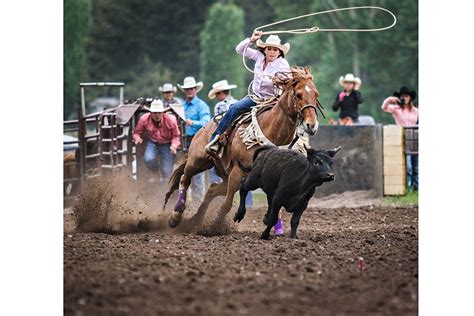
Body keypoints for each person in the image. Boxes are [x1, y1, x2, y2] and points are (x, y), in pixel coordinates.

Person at [205, 31, 291, 157]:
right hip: (256, 98)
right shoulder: (259, 57)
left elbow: (287, 80)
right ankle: (216, 139)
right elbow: (239, 50)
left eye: (275, 49)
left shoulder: (283, 64)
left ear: (279, 52)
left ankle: (293, 145)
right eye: (269, 49)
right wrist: (252, 39)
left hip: (274, 101)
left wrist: (276, 81)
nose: (272, 52)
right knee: (235, 108)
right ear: (264, 50)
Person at [177, 76, 211, 202]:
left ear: (195, 89)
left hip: (198, 141)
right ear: (184, 91)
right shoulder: (181, 106)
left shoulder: (201, 106)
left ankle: (197, 201)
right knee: (181, 169)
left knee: (197, 170)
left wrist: (193, 123)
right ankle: (181, 198)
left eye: (191, 88)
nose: (189, 91)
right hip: (183, 140)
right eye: (187, 89)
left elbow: (207, 122)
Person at [132, 99, 180, 184]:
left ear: (163, 112)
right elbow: (136, 132)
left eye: (159, 113)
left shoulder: (171, 120)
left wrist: (174, 146)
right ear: (150, 113)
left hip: (167, 143)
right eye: (155, 113)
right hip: (153, 142)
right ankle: (156, 171)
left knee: (167, 171)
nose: (157, 115)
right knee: (148, 159)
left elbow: (176, 136)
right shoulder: (144, 119)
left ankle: (162, 192)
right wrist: (137, 138)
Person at [381, 86, 419, 191]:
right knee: (408, 167)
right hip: (401, 138)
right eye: (402, 96)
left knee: (416, 166)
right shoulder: (395, 109)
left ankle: (416, 189)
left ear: (410, 97)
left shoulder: (416, 110)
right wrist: (390, 99)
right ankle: (406, 187)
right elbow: (384, 107)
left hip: (414, 138)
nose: (404, 98)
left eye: (406, 96)